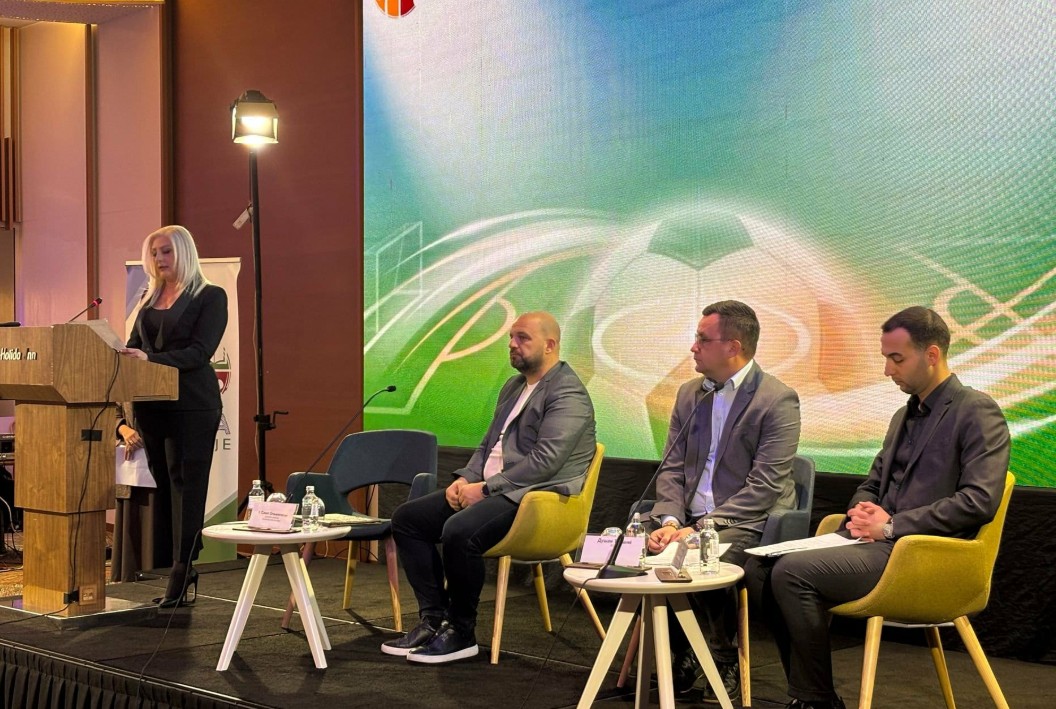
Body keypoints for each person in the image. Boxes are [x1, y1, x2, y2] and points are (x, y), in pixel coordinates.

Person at [755, 306, 1010, 709]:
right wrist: (862, 511)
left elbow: (978, 501)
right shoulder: (901, 416)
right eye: (886, 358)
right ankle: (811, 696)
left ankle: (817, 701)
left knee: (792, 574)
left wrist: (891, 525)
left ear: (931, 355)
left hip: (922, 553)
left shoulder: (976, 411)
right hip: (877, 544)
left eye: (897, 359)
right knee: (760, 569)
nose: (888, 370)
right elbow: (872, 484)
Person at [383, 311, 597, 664]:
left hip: (533, 497)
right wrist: (465, 478)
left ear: (550, 345)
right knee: (408, 520)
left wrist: (485, 489)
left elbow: (546, 461)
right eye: (511, 337)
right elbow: (488, 445)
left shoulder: (568, 392)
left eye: (522, 338)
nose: (512, 344)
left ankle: (461, 632)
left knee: (460, 531)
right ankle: (433, 620)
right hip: (493, 489)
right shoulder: (514, 386)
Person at [646, 300, 801, 701]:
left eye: (702, 339)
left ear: (733, 347)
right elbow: (672, 467)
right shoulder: (689, 394)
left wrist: (697, 528)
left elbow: (764, 487)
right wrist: (669, 522)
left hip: (745, 520)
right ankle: (679, 651)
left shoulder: (776, 399)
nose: (693, 347)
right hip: (686, 516)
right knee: (637, 546)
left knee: (704, 554)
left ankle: (722, 656)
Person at [119, 225, 228, 608]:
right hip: (152, 407)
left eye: (166, 251)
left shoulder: (210, 296)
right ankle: (180, 567)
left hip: (192, 406)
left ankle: (184, 568)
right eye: (154, 253)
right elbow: (135, 346)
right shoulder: (149, 298)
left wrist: (150, 359)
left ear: (184, 252)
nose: (159, 259)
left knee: (188, 488)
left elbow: (200, 352)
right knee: (166, 488)